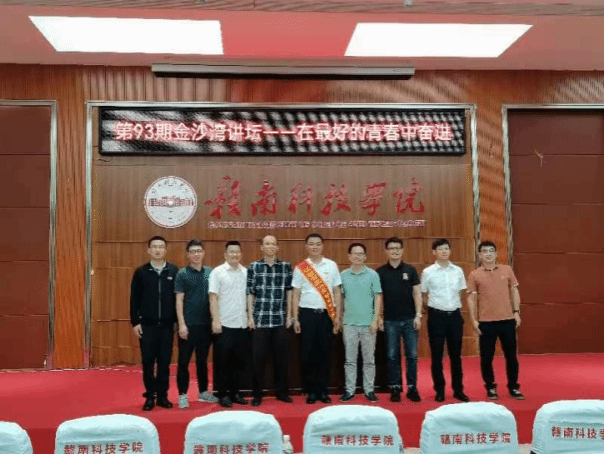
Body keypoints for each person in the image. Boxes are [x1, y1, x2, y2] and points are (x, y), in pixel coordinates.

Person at [467, 241, 525, 400]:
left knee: (511, 356)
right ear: (480, 255)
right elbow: (471, 299)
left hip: (508, 320)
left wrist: (516, 312)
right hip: (486, 323)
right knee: (486, 357)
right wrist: (473, 320)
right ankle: (490, 387)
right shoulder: (474, 274)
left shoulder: (507, 270)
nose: (488, 254)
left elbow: (514, 291)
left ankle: (513, 387)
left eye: (491, 250)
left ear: (496, 253)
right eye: (484, 251)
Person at [292, 233, 342, 404]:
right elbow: (295, 293)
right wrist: (295, 318)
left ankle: (323, 390)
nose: (315, 247)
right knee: (308, 354)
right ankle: (311, 391)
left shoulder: (331, 265)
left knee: (325, 353)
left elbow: (337, 291)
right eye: (311, 244)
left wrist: (337, 315)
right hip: (307, 314)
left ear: (322, 246)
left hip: (326, 315)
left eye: (318, 244)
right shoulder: (301, 268)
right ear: (307, 246)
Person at [129, 236, 178, 411]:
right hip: (147, 326)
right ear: (149, 250)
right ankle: (150, 396)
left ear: (166, 250)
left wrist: (177, 321)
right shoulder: (141, 272)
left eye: (161, 247)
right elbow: (134, 299)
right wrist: (135, 322)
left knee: (164, 363)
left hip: (167, 327)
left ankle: (163, 396)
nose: (158, 250)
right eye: (154, 247)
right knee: (148, 362)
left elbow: (178, 299)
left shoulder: (173, 271)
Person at [246, 235, 294, 406]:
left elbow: (289, 291)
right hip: (260, 319)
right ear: (262, 247)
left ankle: (282, 392)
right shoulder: (254, 266)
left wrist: (289, 314)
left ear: (277, 247)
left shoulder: (285, 266)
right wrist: (250, 316)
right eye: (267, 244)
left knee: (282, 359)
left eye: (273, 244)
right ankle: (257, 394)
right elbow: (250, 292)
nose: (270, 246)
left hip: (280, 319)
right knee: (258, 360)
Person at [421, 238, 470, 403]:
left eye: (446, 248)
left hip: (455, 316)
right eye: (440, 249)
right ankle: (440, 390)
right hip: (436, 317)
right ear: (434, 252)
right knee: (437, 355)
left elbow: (461, 292)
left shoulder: (458, 271)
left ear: (450, 251)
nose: (444, 251)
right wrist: (433, 310)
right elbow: (423, 295)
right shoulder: (428, 272)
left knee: (456, 356)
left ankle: (458, 390)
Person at [376, 237, 422, 403]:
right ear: (386, 251)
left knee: (412, 355)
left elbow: (417, 293)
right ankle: (395, 388)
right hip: (390, 321)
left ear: (402, 250)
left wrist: (418, 315)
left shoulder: (410, 270)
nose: (395, 251)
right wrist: (379, 317)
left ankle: (412, 388)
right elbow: (378, 296)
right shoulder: (380, 272)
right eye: (391, 248)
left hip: (410, 320)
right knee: (392, 356)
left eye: (397, 248)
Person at [174, 239, 219, 409]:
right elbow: (179, 301)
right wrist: (182, 324)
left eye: (199, 251)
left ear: (204, 253)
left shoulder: (211, 273)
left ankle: (203, 392)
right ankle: (182, 394)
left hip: (206, 325)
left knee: (202, 361)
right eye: (193, 251)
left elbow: (215, 298)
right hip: (188, 325)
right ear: (188, 254)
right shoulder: (182, 274)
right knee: (183, 362)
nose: (196, 254)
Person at [339, 242, 382, 403]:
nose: (358, 256)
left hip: (368, 324)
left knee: (369, 360)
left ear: (365, 256)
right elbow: (340, 298)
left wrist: (375, 319)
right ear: (349, 256)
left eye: (361, 253)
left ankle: (369, 390)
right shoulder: (343, 275)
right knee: (350, 360)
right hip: (349, 324)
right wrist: (340, 319)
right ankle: (349, 390)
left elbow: (378, 297)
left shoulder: (373, 275)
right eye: (354, 254)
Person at [209, 240, 249, 408]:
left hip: (241, 324)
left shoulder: (246, 272)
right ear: (225, 255)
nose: (234, 254)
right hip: (224, 324)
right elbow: (213, 297)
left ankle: (235, 393)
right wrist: (215, 320)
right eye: (231, 252)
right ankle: (223, 394)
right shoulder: (217, 272)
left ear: (241, 254)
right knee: (222, 363)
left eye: (237, 252)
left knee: (238, 362)